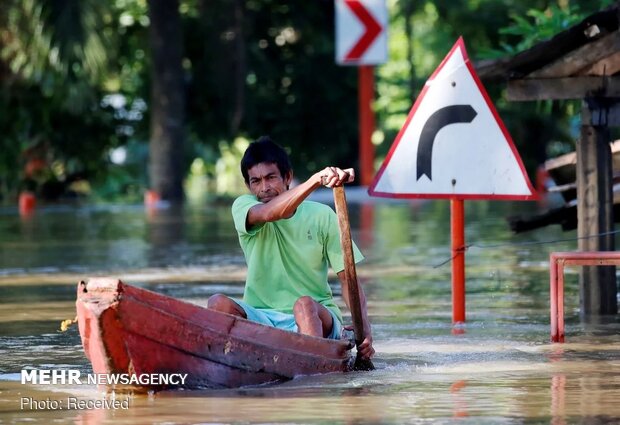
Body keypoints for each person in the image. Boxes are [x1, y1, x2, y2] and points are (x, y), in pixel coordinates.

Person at [208, 136, 374, 360]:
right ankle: (220, 364)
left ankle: (312, 365)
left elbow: (349, 280)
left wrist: (365, 331)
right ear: (248, 186)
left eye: (270, 178)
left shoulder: (322, 216)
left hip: (315, 316)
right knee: (217, 303)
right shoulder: (243, 207)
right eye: (255, 181)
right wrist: (316, 180)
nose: (264, 188)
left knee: (304, 305)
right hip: (263, 317)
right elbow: (271, 213)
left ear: (288, 177)